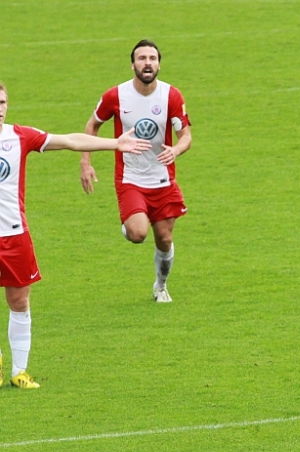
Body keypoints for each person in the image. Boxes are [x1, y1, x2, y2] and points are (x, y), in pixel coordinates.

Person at [0, 81, 149, 389]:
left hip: (14, 236)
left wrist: (115, 143)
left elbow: (69, 140)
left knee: (19, 301)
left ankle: (19, 371)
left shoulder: (19, 136)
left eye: (2, 103)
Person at [80, 39, 192, 303]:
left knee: (164, 238)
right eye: (142, 58)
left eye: (152, 58)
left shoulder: (171, 96)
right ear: (133, 65)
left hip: (163, 179)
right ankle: (131, 223)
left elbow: (186, 135)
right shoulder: (116, 96)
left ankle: (160, 286)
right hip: (130, 178)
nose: (147, 63)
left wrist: (176, 150)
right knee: (138, 234)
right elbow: (92, 125)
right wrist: (86, 162)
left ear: (159, 65)